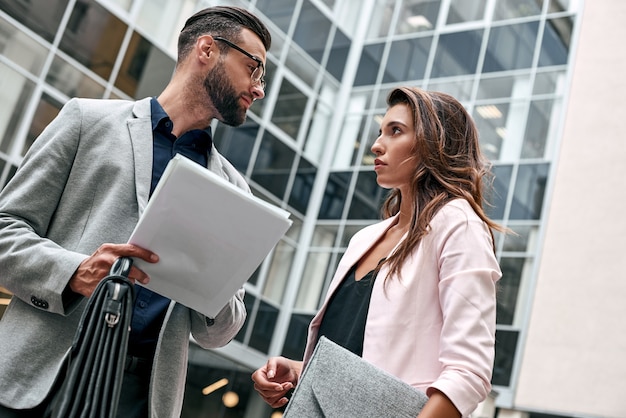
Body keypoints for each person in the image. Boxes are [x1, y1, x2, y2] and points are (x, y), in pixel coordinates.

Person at [0, 6, 271, 418]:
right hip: (40, 377)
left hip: (141, 397)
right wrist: (74, 272)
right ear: (207, 49)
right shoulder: (86, 121)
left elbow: (222, 330)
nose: (259, 89)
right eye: (254, 68)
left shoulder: (234, 190)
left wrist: (211, 287)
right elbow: (6, 230)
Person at [252, 86, 504, 418]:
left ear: (434, 142)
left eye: (395, 131)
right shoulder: (365, 239)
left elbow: (468, 372)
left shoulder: (459, 225)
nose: (375, 144)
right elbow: (360, 353)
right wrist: (302, 372)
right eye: (380, 131)